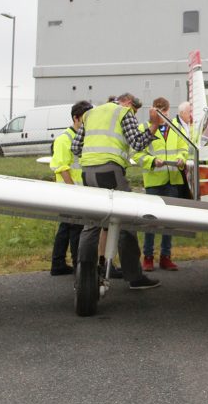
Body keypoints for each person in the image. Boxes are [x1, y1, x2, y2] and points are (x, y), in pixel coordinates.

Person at [72, 92, 164, 290]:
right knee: (126, 220)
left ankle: (84, 272)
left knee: (91, 223)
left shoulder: (90, 114)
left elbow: (76, 148)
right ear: (129, 103)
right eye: (135, 110)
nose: (134, 114)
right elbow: (138, 143)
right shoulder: (124, 112)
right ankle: (134, 277)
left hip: (87, 173)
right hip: (110, 172)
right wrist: (154, 125)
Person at [134, 97, 189, 271]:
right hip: (154, 181)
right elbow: (137, 154)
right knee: (151, 220)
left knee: (168, 221)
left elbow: (184, 148)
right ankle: (148, 257)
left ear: (168, 111)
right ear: (152, 111)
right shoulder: (143, 129)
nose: (161, 114)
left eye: (163, 111)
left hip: (173, 180)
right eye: (157, 111)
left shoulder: (177, 128)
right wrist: (151, 161)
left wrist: (182, 158)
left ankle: (166, 257)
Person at [48, 100, 92, 275]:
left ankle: (58, 264)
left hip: (76, 189)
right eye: (85, 119)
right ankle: (77, 264)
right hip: (69, 191)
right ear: (76, 118)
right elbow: (62, 167)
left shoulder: (82, 138)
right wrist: (75, 191)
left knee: (66, 228)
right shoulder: (64, 139)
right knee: (75, 228)